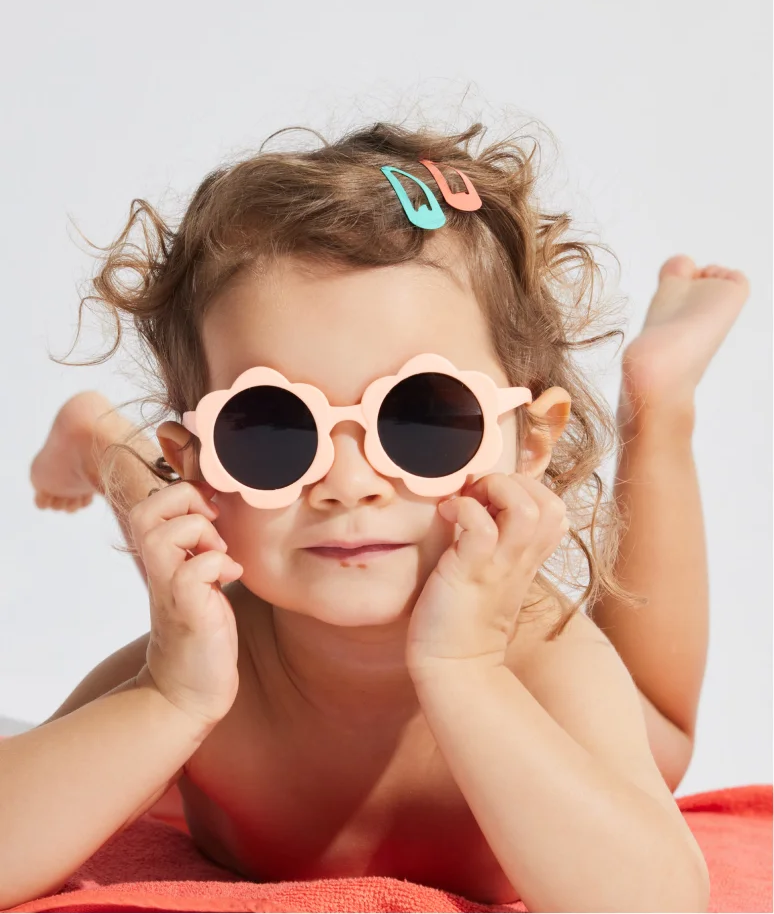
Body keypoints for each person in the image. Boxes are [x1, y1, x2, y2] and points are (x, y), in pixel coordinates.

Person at [5, 120, 747, 911]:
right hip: (193, 527)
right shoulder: (205, 659)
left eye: (424, 419)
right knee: (155, 499)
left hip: (533, 661)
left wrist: (465, 674)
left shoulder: (542, 658)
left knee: (658, 737)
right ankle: (99, 432)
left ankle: (659, 401)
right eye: (271, 430)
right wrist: (171, 700)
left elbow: (658, 904)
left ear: (527, 443)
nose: (349, 485)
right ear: (202, 468)